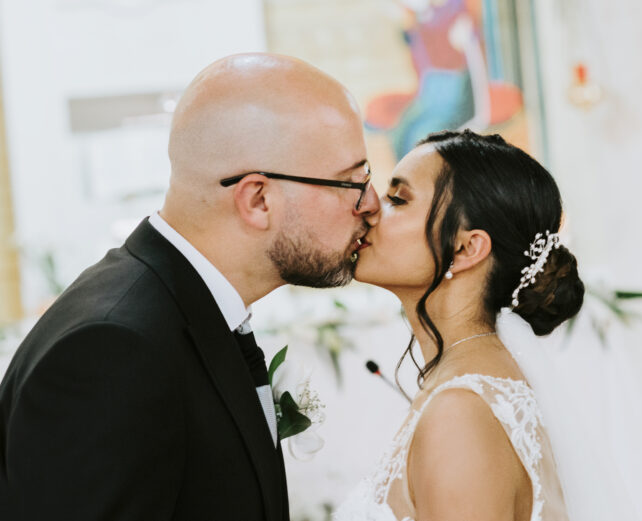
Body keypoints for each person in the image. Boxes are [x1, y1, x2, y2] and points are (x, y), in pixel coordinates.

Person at [0, 53, 380, 520]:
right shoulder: (113, 351)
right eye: (351, 182)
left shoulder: (182, 309)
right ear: (258, 199)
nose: (371, 203)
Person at [334, 130, 585, 521]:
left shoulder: (460, 413)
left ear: (466, 248)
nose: (370, 209)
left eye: (398, 199)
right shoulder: (467, 383)